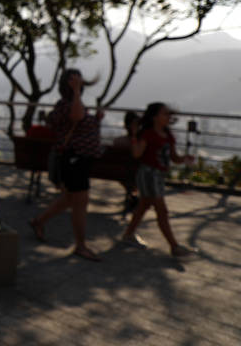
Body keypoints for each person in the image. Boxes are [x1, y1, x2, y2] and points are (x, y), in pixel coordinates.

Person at [29, 69, 104, 262]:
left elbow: (78, 121)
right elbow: (77, 117)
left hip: (78, 160)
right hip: (74, 160)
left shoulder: (71, 104)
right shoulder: (66, 105)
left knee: (70, 199)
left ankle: (38, 222)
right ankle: (80, 246)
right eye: (77, 82)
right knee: (80, 203)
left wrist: (95, 119)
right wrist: (77, 91)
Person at [120, 102, 196, 256]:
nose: (168, 117)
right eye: (165, 114)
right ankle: (174, 246)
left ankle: (128, 234)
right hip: (148, 175)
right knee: (161, 210)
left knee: (143, 206)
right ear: (155, 117)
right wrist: (134, 135)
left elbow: (174, 158)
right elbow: (137, 154)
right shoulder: (148, 134)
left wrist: (185, 158)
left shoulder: (168, 135)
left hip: (159, 176)